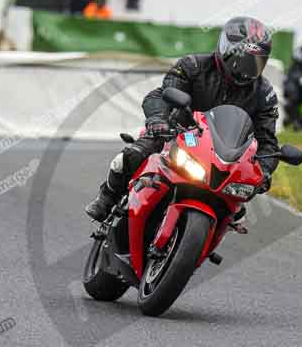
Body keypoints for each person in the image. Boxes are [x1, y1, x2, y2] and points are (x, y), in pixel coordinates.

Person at [85, 16, 280, 225]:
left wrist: (265, 171)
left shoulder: (264, 94)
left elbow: (267, 142)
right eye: (240, 59)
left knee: (236, 208)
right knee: (131, 156)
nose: (245, 69)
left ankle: (208, 235)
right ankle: (107, 197)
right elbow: (160, 95)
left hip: (223, 157)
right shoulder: (193, 66)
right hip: (175, 136)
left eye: (255, 63)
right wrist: (159, 120)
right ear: (226, 48)